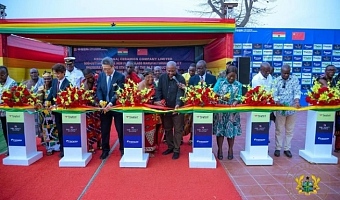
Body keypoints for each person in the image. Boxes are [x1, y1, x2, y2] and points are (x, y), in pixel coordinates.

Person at [155, 61, 185, 160]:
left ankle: (176, 150)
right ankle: (170, 147)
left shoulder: (180, 78)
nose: (171, 73)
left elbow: (180, 93)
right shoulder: (162, 78)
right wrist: (159, 101)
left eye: (173, 71)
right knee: (167, 128)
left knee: (177, 129)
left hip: (177, 108)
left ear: (176, 69)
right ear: (165, 69)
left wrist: (177, 105)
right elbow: (158, 90)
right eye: (169, 71)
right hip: (166, 108)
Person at [96, 57, 125, 159]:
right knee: (104, 129)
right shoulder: (101, 76)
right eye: (104, 69)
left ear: (113, 66)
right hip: (104, 107)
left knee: (120, 129)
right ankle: (105, 150)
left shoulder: (120, 76)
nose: (106, 71)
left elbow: (119, 92)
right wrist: (100, 101)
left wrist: (111, 103)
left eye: (108, 69)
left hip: (116, 107)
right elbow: (98, 89)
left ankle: (122, 149)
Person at [213, 65, 242, 160]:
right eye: (230, 76)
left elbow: (240, 97)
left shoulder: (238, 85)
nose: (232, 78)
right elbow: (213, 93)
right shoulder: (220, 82)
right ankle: (220, 149)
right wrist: (221, 97)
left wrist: (236, 101)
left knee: (231, 131)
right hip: (221, 112)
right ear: (226, 75)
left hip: (232, 112)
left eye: (234, 76)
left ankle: (230, 149)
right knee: (220, 131)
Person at [272, 64, 301, 158]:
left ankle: (287, 148)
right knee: (279, 129)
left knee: (290, 130)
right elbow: (274, 93)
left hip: (292, 110)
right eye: (284, 73)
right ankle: (278, 148)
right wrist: (277, 102)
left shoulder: (294, 79)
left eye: (288, 73)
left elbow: (297, 92)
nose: (286, 75)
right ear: (281, 72)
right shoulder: (276, 81)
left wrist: (296, 102)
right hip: (280, 110)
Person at [187, 60, 217, 143]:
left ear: (205, 68)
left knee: (207, 126)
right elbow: (190, 93)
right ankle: (193, 138)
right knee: (195, 125)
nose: (199, 70)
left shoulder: (212, 78)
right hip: (196, 107)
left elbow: (214, 93)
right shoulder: (193, 79)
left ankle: (206, 140)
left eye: (201, 68)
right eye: (197, 68)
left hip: (208, 108)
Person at [46, 63, 71, 158]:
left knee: (65, 130)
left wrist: (57, 105)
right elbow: (52, 92)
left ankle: (66, 148)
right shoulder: (54, 81)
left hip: (64, 111)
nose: (57, 75)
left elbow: (67, 99)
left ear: (64, 73)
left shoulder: (68, 83)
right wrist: (47, 101)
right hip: (56, 111)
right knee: (59, 130)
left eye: (59, 73)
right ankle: (62, 147)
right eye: (55, 73)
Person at [137, 68, 163, 156]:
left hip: (154, 112)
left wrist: (159, 102)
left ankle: (153, 147)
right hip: (145, 114)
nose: (150, 79)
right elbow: (140, 101)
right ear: (144, 77)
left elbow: (156, 96)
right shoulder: (140, 86)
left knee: (156, 130)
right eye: (148, 77)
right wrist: (154, 102)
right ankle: (147, 150)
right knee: (148, 132)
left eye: (152, 77)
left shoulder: (154, 85)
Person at [37, 71, 60, 155]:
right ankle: (49, 147)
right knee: (46, 129)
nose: (47, 80)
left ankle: (57, 145)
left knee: (55, 128)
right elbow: (40, 101)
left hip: (54, 111)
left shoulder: (54, 87)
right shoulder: (41, 88)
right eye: (45, 79)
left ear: (52, 79)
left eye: (49, 79)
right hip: (44, 113)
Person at [81, 69, 101, 153]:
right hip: (88, 108)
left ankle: (100, 143)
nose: (90, 79)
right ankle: (90, 144)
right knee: (89, 127)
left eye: (90, 77)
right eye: (87, 78)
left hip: (98, 107)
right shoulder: (83, 83)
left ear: (92, 74)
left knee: (99, 126)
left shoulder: (98, 79)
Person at [0, 66, 17, 156]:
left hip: (11, 112)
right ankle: (8, 147)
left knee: (12, 130)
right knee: (4, 130)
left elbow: (14, 98)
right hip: (1, 113)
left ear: (7, 74)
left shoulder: (12, 83)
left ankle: (15, 147)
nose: (1, 77)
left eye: (2, 75)